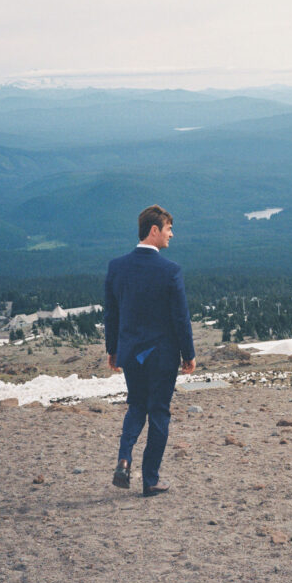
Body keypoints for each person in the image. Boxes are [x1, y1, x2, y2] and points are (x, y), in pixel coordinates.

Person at [105, 204, 196, 497]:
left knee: (136, 406)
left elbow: (112, 314)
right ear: (154, 230)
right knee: (158, 412)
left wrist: (113, 350)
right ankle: (150, 479)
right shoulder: (170, 271)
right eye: (169, 229)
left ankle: (124, 458)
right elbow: (180, 318)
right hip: (162, 356)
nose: (172, 234)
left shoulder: (116, 267)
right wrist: (188, 354)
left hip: (131, 353)